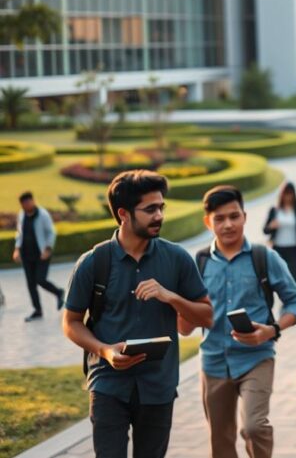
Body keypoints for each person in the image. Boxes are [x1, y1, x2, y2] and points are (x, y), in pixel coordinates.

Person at [62, 170, 213, 458]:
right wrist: (105, 351)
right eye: (150, 209)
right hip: (107, 385)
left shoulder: (177, 258)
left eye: (161, 207)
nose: (159, 215)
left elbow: (206, 316)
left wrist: (170, 297)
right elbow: (70, 323)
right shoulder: (94, 262)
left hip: (159, 386)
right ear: (124, 214)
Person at [183, 186, 296, 458]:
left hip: (257, 358)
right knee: (220, 440)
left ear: (245, 216)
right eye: (219, 218)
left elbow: (295, 301)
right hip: (213, 361)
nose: (228, 224)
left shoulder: (264, 257)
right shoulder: (199, 263)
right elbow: (186, 325)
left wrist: (271, 331)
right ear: (208, 222)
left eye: (234, 216)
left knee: (253, 426)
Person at [14, 191, 62, 321]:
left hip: (42, 254)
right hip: (26, 255)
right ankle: (37, 310)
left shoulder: (42, 215)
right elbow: (19, 234)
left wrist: (47, 249)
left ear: (33, 201)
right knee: (30, 283)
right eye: (23, 203)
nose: (26, 205)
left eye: (28, 202)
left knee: (40, 279)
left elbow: (51, 233)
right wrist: (17, 249)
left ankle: (59, 292)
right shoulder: (21, 215)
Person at [263, 183, 296, 286]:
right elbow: (265, 230)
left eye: (290, 194)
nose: (287, 197)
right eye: (285, 194)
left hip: (294, 250)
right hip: (278, 249)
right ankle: (284, 301)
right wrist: (271, 226)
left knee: (294, 280)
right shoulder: (275, 210)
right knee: (279, 279)